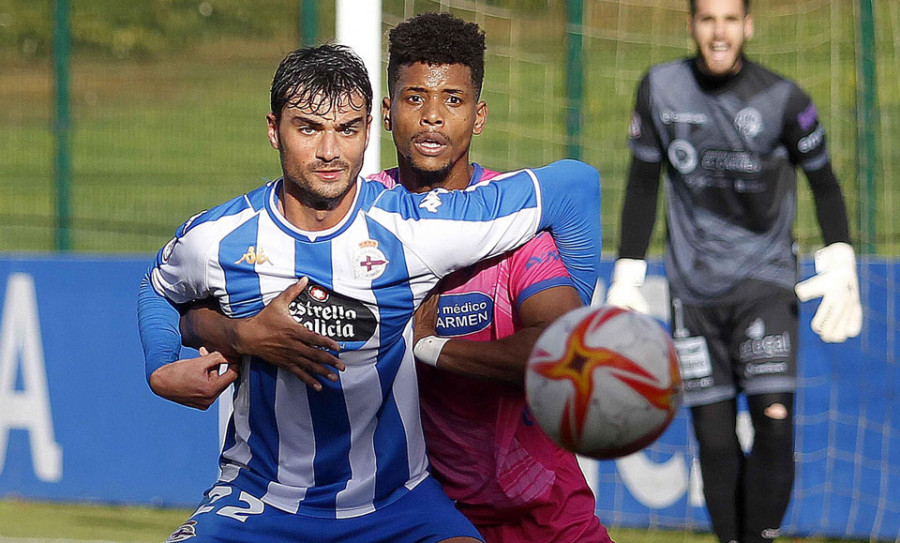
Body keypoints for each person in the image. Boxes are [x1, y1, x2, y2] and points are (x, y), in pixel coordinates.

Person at [138, 43, 602, 543]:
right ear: (274, 130)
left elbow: (574, 186)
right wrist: (164, 366)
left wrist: (576, 298)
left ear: (367, 131)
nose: (330, 152)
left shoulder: (416, 225)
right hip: (258, 499)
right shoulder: (219, 238)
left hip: (398, 506)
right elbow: (157, 289)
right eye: (309, 128)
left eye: (347, 129)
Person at [605, 1, 862, 542]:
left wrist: (842, 256)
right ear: (693, 25)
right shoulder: (660, 89)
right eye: (707, 19)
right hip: (692, 290)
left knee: (773, 421)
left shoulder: (784, 99)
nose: (718, 32)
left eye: (729, 19)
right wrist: (627, 273)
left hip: (765, 283)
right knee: (714, 439)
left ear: (747, 26)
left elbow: (826, 183)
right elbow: (642, 183)